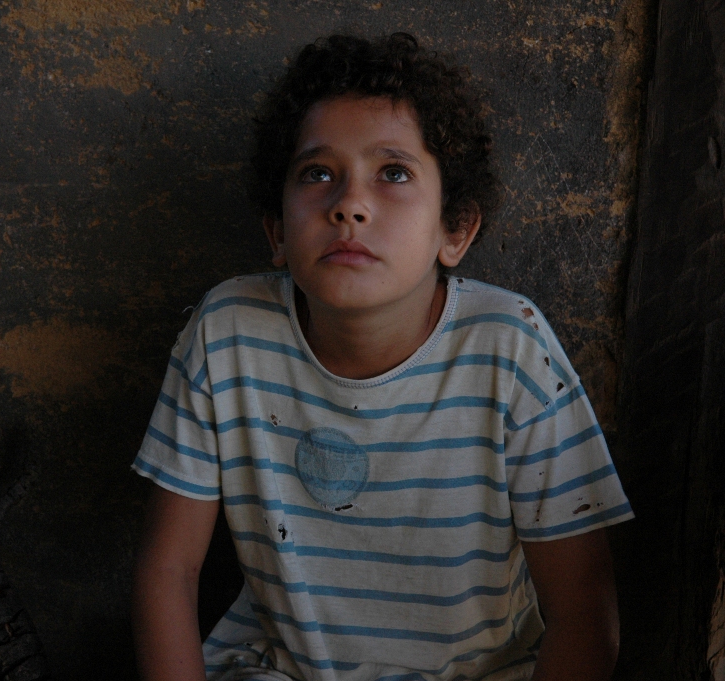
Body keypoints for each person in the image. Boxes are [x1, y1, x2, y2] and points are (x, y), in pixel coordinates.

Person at [130, 32, 633, 681]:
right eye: (318, 173)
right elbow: (168, 570)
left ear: (455, 229)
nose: (349, 204)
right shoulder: (227, 333)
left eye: (393, 173)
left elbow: (584, 611)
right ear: (277, 231)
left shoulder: (511, 350)